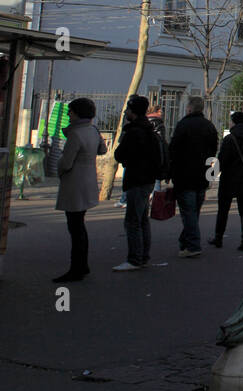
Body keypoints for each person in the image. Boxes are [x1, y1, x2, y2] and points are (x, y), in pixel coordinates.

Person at [52, 98, 104, 283]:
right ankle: (82, 265)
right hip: (88, 180)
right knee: (79, 225)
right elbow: (102, 149)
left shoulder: (76, 134)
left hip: (75, 183)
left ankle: (77, 267)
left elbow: (66, 162)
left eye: (71, 112)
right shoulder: (93, 130)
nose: (68, 115)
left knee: (75, 227)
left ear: (77, 113)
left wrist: (58, 168)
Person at [112, 95, 161, 271]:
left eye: (128, 110)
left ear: (133, 112)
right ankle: (143, 255)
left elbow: (119, 154)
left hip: (136, 178)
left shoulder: (133, 131)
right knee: (142, 219)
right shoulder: (150, 130)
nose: (126, 112)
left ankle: (135, 258)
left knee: (133, 220)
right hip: (148, 178)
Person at [168, 96, 219, 257]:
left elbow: (174, 150)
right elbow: (213, 150)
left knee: (188, 212)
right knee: (194, 211)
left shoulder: (183, 125)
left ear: (189, 108)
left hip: (184, 174)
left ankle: (192, 245)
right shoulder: (209, 126)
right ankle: (186, 242)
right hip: (201, 174)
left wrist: (170, 172)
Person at [211, 111, 243, 250]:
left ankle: (218, 237)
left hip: (228, 179)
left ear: (235, 123)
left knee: (223, 209)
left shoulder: (230, 139)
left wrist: (212, 175)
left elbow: (222, 160)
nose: (230, 123)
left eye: (231, 121)